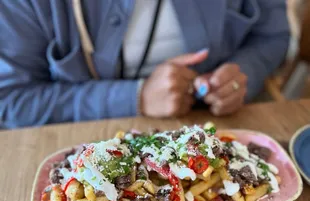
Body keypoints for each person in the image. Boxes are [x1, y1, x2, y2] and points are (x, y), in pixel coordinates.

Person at [0, 0, 289, 129]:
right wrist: (134, 98)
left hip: (220, 125)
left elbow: (272, 37)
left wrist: (241, 75)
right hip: (83, 138)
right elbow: (12, 101)